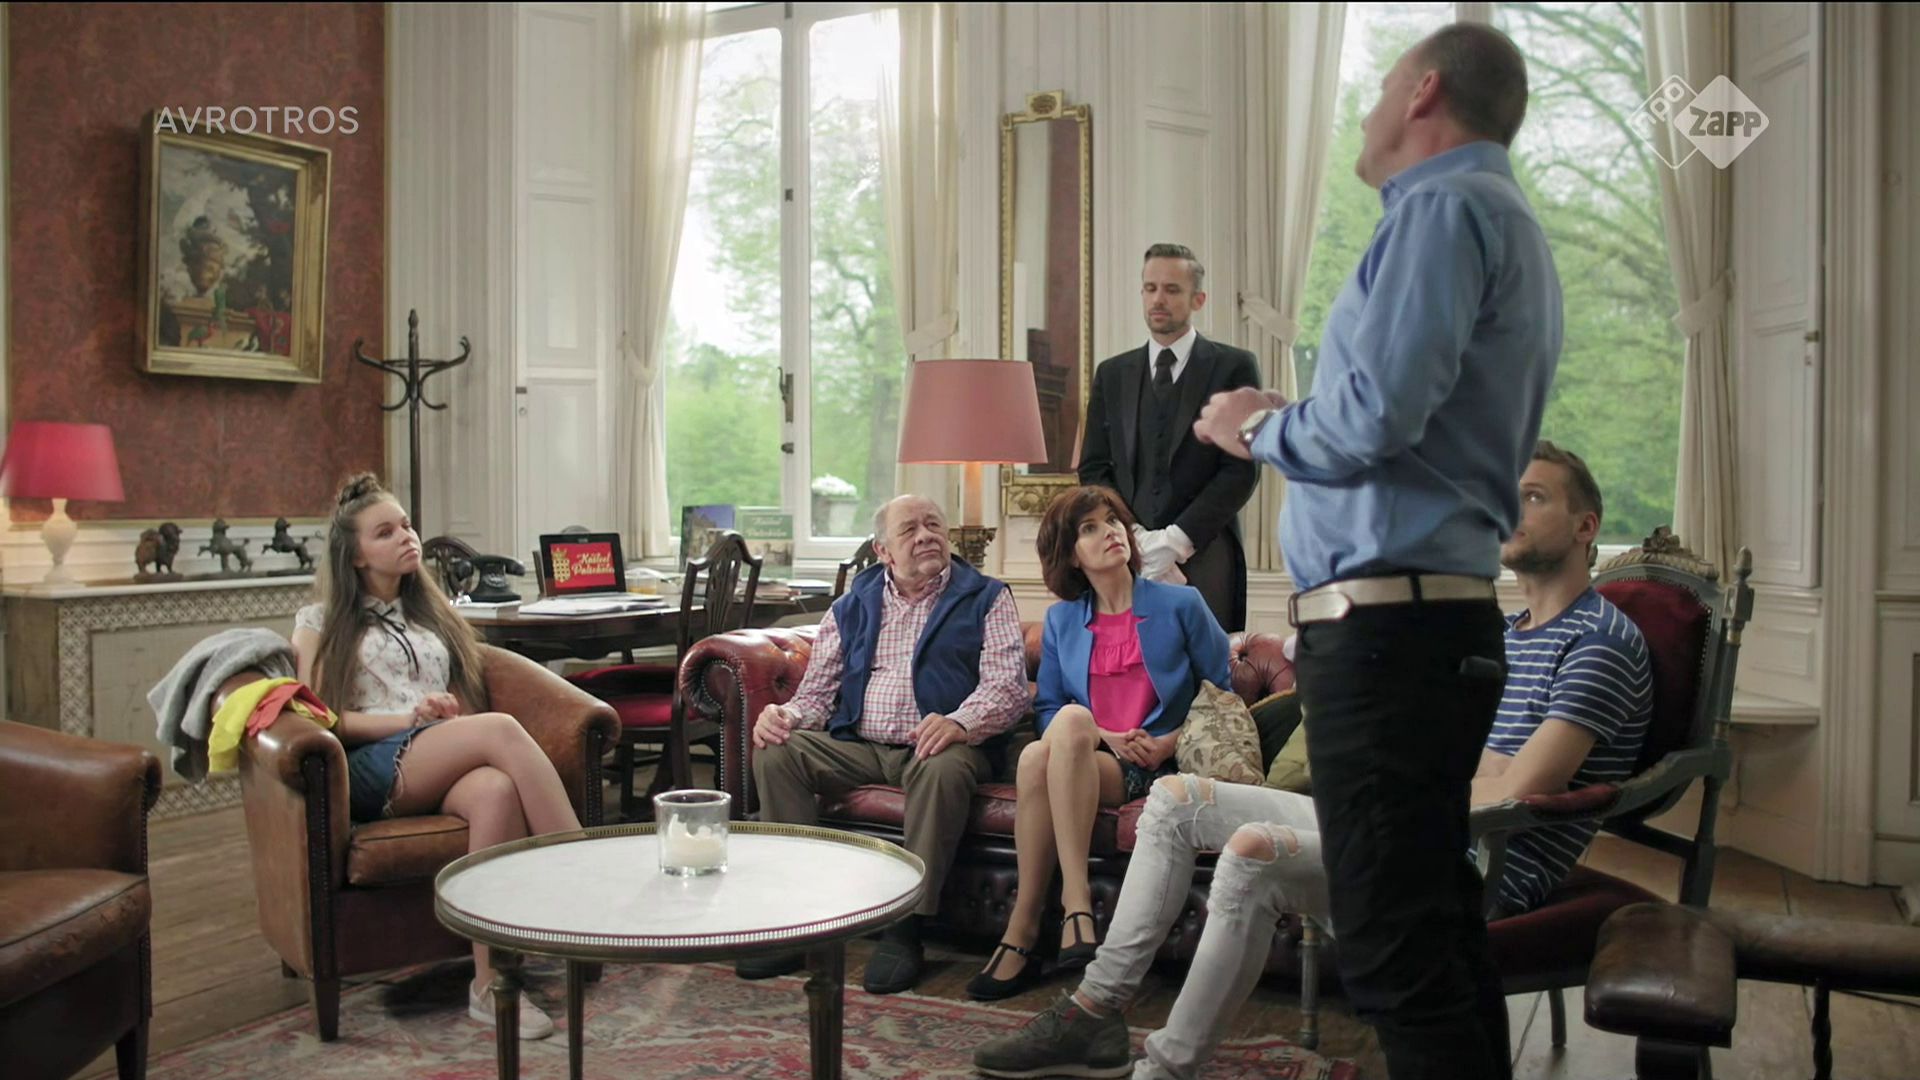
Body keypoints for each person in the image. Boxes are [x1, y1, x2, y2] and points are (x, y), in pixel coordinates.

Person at [975, 443, 1649, 1080]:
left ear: (1586, 526)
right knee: (1177, 801)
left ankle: (1165, 1068)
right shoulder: (1508, 633)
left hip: (1466, 862)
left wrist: (1404, 786)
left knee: (1252, 849)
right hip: (1407, 827)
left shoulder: (1599, 642)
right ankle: (1095, 1011)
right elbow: (1440, 752)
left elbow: (1521, 788)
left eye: (1533, 496)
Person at [1191, 23, 1561, 1079]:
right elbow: (1402, 420)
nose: (1366, 111)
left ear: (1424, 91)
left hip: (1390, 638)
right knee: (1435, 935)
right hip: (1430, 627)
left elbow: (1374, 419)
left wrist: (1259, 426)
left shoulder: (1442, 209)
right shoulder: (1502, 218)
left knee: (1394, 951)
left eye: (1381, 86)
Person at [290, 474, 581, 1041]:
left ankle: (491, 985)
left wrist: (446, 712)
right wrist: (409, 720)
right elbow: (323, 718)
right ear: (355, 555)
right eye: (384, 532)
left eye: (406, 525)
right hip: (370, 763)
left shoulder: (431, 612)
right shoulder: (318, 622)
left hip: (433, 752)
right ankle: (583, 874)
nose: (406, 536)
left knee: (496, 791)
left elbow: (459, 695)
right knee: (500, 730)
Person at [744, 494, 1029, 993]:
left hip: (941, 747)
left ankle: (906, 926)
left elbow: (1006, 688)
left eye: (933, 525)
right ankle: (798, 915)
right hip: (861, 744)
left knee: (942, 768)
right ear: (883, 551)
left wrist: (959, 722)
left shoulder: (986, 597)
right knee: (777, 750)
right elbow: (817, 694)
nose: (926, 536)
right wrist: (785, 715)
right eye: (909, 530)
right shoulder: (851, 605)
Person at [966, 486, 1230, 1001]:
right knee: (1050, 739)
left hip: (1155, 763)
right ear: (1070, 555)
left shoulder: (1182, 603)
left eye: (1113, 521)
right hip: (1091, 754)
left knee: (1044, 751)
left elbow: (1220, 694)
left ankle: (1029, 928)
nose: (1110, 532)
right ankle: (1070, 907)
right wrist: (1099, 733)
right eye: (1090, 527)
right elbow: (1048, 710)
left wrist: (1166, 741)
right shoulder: (1063, 620)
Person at [1078, 243, 1260, 633]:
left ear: (1198, 299)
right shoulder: (1112, 374)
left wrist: (1177, 541)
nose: (1158, 299)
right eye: (1150, 288)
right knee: (1128, 662)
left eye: (1172, 289)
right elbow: (1093, 467)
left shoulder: (1233, 367)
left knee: (1209, 668)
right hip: (1125, 554)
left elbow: (1240, 470)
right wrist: (1134, 536)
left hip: (1207, 552)